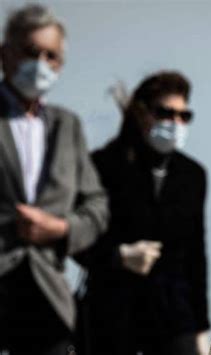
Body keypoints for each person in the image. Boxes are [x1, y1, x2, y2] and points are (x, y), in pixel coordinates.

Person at [0, 4, 109, 355]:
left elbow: (96, 206)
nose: (42, 64)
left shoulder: (68, 126)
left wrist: (60, 229)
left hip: (47, 299)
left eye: (52, 56)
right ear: (5, 55)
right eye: (32, 52)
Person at [77, 72, 210, 355]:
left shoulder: (192, 175)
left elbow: (195, 258)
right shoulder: (102, 166)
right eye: (166, 113)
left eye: (184, 116)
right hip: (114, 312)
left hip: (174, 317)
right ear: (141, 113)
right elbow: (75, 239)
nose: (175, 122)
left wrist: (200, 330)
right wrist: (119, 255)